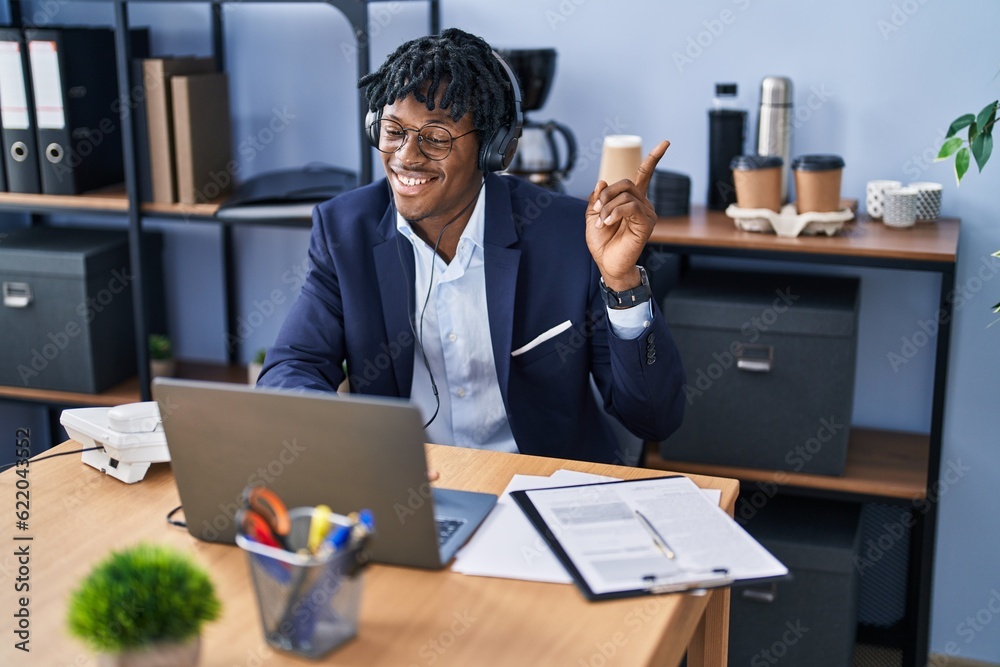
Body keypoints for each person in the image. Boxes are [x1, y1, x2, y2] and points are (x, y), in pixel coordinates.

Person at [257, 28, 685, 464]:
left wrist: (621, 281)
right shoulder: (345, 231)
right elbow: (291, 370)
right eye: (393, 131)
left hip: (541, 487)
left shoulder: (568, 235)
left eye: (436, 137)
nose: (406, 156)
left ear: (493, 150)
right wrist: (349, 444)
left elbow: (655, 419)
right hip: (414, 489)